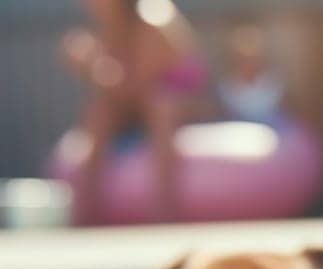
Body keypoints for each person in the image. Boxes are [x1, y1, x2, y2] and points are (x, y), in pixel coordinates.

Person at [59, 0, 206, 224]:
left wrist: (94, 65)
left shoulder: (154, 19)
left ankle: (165, 211)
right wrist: (91, 66)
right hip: (140, 102)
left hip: (181, 104)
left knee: (160, 107)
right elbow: (120, 88)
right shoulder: (111, 25)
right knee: (100, 113)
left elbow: (136, 84)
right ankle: (84, 213)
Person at [218, 25, 286, 125]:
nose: (248, 63)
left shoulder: (274, 81)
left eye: (252, 58)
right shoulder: (226, 83)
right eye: (244, 58)